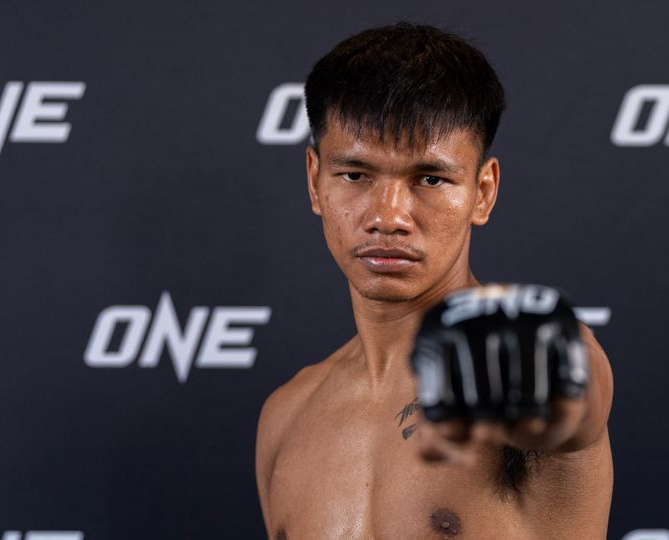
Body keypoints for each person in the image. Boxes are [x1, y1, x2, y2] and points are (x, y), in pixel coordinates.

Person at [255, 22, 614, 539]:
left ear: (482, 193)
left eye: (430, 178)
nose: (388, 217)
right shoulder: (286, 418)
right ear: (315, 181)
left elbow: (579, 395)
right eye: (355, 175)